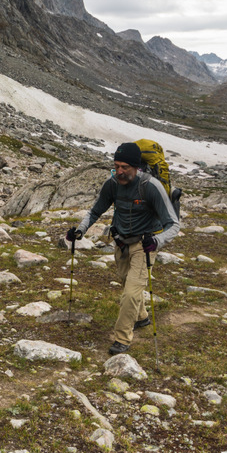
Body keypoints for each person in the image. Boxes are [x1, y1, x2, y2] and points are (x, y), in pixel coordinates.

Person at [67, 142, 181, 355]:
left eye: (124, 167)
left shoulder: (151, 186)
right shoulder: (112, 184)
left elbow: (173, 224)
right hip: (120, 243)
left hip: (144, 246)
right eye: (116, 166)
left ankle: (121, 339)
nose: (118, 171)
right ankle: (142, 317)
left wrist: (156, 242)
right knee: (127, 284)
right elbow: (95, 211)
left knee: (130, 293)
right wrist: (80, 231)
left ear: (136, 167)